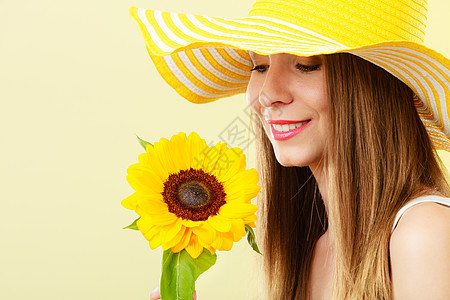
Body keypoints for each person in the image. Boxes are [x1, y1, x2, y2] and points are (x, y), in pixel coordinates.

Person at [130, 0, 450, 299]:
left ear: (374, 88)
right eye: (260, 66)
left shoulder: (424, 234)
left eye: (306, 64)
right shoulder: (311, 247)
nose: (268, 94)